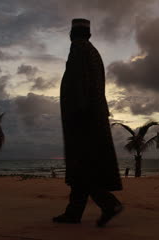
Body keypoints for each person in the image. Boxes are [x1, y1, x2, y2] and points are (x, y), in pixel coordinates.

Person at [53, 18, 123, 227]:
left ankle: (109, 203)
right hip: (92, 116)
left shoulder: (78, 49)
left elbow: (79, 84)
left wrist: (79, 113)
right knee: (81, 167)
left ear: (73, 34)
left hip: (83, 119)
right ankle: (74, 213)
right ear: (89, 34)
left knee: (83, 166)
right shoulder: (92, 51)